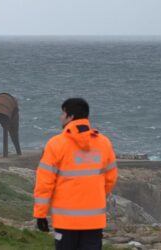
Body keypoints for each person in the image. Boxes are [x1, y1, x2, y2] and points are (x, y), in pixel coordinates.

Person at [33, 98, 118, 250]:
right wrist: (94, 195)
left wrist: (40, 214)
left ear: (70, 116)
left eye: (63, 113)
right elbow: (110, 179)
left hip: (65, 221)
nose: (61, 117)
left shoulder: (56, 144)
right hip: (94, 220)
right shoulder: (104, 143)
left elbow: (44, 183)